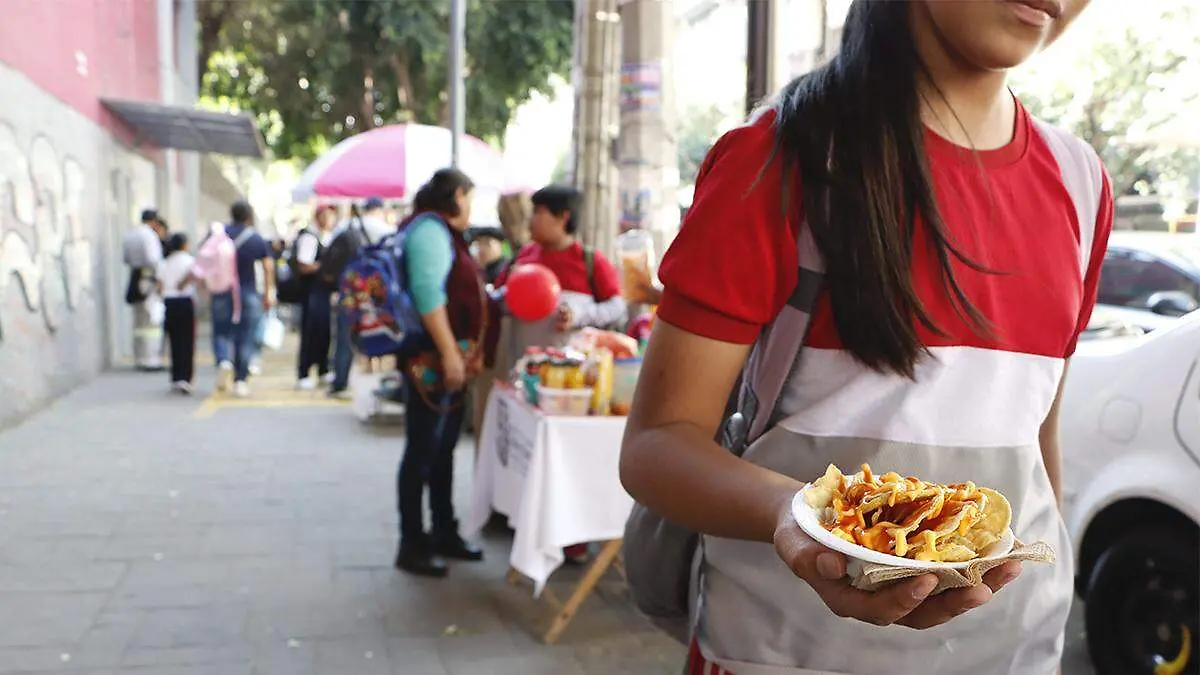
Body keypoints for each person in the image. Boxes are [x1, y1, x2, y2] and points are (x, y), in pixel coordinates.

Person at [619, 2, 1112, 674]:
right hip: (784, 652)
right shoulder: (781, 158)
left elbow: (1035, 433)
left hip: (1012, 652)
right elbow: (656, 443)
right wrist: (795, 515)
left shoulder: (1081, 182)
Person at [394, 169, 489, 578]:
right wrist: (451, 353)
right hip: (430, 361)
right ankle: (412, 543)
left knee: (442, 448)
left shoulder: (440, 231)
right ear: (454, 196)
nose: (470, 207)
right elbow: (429, 294)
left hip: (445, 360)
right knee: (423, 451)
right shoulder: (430, 232)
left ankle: (443, 531)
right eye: (468, 197)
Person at [492, 185, 626, 373]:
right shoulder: (522, 257)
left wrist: (577, 314)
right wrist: (513, 289)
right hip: (520, 373)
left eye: (538, 212)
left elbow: (617, 308)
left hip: (569, 378)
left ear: (564, 216)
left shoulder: (590, 261)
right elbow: (495, 301)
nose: (531, 220)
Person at [328, 197, 397, 398]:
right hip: (374, 290)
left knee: (343, 334)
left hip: (349, 286)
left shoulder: (343, 226)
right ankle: (381, 373)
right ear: (379, 209)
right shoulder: (384, 229)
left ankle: (339, 379)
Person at [212, 200, 275, 397]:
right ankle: (240, 381)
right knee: (245, 337)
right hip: (247, 293)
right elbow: (267, 267)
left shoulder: (219, 236)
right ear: (249, 217)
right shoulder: (255, 239)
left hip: (222, 291)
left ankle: (223, 360)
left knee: (221, 332)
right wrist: (268, 293)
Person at [295, 204, 338, 389]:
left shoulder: (325, 237)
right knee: (310, 332)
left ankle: (322, 369)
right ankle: (304, 372)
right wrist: (324, 267)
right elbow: (304, 266)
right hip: (312, 293)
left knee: (324, 332)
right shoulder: (309, 237)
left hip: (322, 293)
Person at [122, 208, 165, 371]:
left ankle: (139, 357)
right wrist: (160, 281)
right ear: (154, 221)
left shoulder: (130, 234)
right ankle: (151, 358)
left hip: (135, 277)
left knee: (138, 320)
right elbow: (154, 260)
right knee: (151, 321)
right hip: (148, 278)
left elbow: (125, 258)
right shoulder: (150, 236)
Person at [157, 233, 198, 394]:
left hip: (169, 303)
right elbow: (197, 278)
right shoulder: (190, 261)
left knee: (173, 341)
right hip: (185, 302)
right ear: (185, 245)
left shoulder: (164, 263)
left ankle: (175, 377)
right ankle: (185, 378)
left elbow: (159, 287)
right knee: (187, 342)